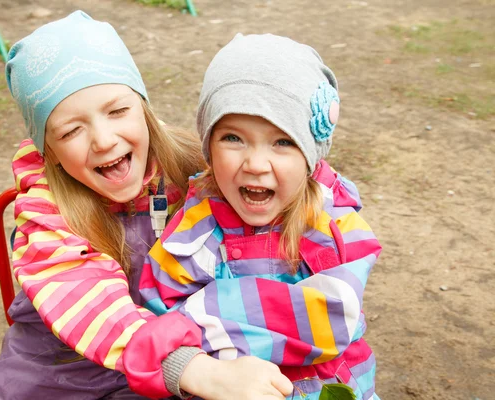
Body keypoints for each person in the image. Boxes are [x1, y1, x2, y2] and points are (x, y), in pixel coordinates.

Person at [0, 13, 293, 400]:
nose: (104, 140)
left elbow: (274, 179)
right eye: (71, 130)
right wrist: (193, 368)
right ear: (49, 152)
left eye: (117, 111)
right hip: (57, 374)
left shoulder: (192, 167)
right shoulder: (45, 210)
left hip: (172, 357)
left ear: (143, 108)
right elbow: (80, 293)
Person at [139, 33, 382, 400]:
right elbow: (157, 307)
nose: (255, 164)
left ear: (309, 156)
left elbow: (332, 317)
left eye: (282, 142)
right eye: (233, 138)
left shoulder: (330, 217)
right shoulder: (197, 221)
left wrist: (201, 312)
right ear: (208, 146)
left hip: (332, 389)